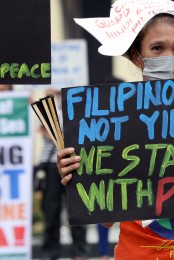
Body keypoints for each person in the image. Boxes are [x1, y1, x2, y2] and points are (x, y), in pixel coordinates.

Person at [57, 1, 174, 259]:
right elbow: (106, 220)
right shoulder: (115, 120)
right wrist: (79, 174)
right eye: (157, 48)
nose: (169, 56)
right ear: (138, 57)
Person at [39, 88, 88, 260]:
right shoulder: (47, 111)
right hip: (52, 165)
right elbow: (45, 133)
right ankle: (50, 252)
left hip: (73, 163)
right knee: (51, 210)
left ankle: (80, 252)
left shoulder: (79, 111)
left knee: (76, 210)